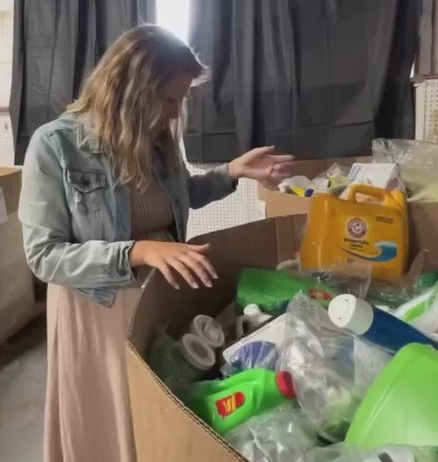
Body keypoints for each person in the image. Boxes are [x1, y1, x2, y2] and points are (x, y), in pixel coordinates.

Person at [18, 25, 293, 462]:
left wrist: (233, 172)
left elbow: (178, 196)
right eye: (168, 99)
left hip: (155, 296)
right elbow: (44, 255)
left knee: (153, 410)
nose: (174, 113)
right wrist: (138, 251)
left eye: (180, 100)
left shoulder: (159, 141)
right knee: (111, 414)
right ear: (128, 89)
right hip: (99, 307)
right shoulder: (56, 145)